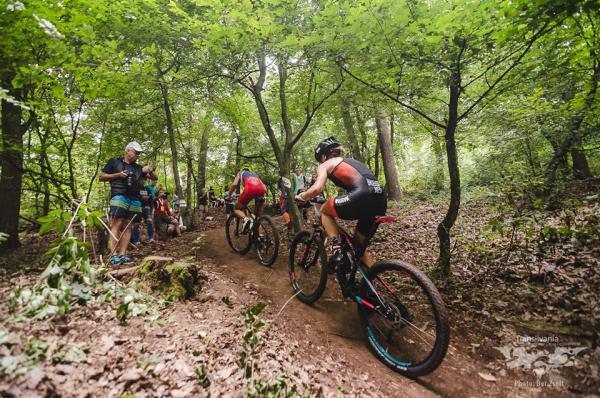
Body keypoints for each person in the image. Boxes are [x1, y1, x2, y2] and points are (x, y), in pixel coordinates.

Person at [295, 137, 386, 270]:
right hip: (380, 199)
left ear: (324, 156)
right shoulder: (353, 161)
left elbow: (317, 188)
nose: (320, 162)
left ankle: (337, 251)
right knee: (358, 246)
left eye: (320, 159)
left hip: (361, 196)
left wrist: (302, 196)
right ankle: (372, 279)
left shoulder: (325, 164)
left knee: (324, 210)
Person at [99, 141, 156, 266]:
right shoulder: (115, 162)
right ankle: (113, 255)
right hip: (119, 196)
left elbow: (153, 178)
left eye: (139, 154)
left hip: (134, 198)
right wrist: (118, 175)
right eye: (136, 152)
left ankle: (123, 255)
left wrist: (149, 170)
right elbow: (101, 176)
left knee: (128, 225)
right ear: (128, 150)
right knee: (117, 223)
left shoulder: (138, 167)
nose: (137, 155)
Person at [226, 165, 267, 233]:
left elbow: (234, 185)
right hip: (261, 191)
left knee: (236, 208)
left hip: (249, 190)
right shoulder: (255, 174)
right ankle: (260, 236)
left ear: (242, 169)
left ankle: (246, 219)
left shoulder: (240, 173)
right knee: (257, 218)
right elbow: (265, 188)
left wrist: (229, 196)